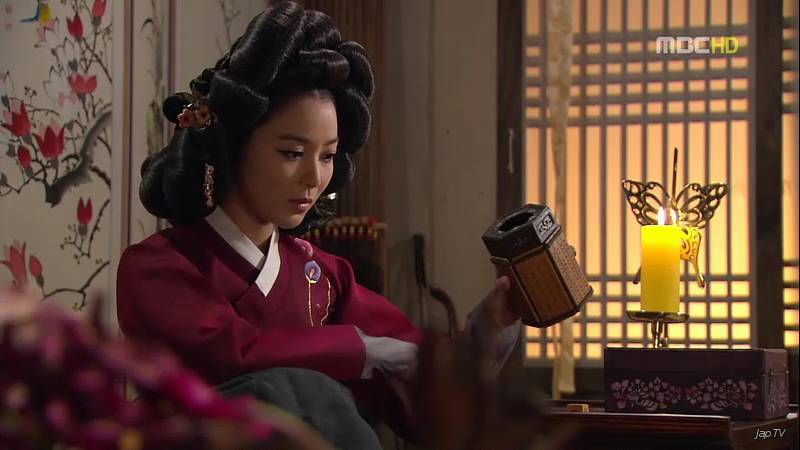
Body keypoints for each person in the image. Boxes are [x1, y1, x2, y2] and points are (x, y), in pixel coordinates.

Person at [116, 1, 521, 448]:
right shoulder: (157, 267)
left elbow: (416, 384)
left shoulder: (325, 278)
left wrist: (488, 331)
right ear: (233, 147)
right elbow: (234, 355)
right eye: (292, 153)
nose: (314, 177)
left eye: (327, 156)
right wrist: (362, 349)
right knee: (300, 392)